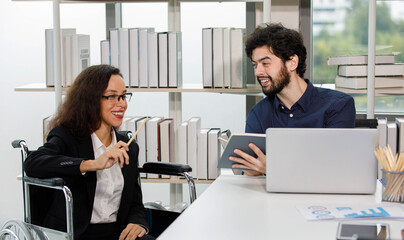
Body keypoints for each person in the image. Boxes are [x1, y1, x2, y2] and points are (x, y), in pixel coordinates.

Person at [24, 65, 154, 240]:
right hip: (78, 233)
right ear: (90, 100)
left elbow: (134, 202)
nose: (122, 104)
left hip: (118, 232)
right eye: (112, 96)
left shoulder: (128, 146)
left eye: (123, 96)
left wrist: (138, 223)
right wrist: (92, 164)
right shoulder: (67, 136)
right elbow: (33, 163)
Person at [230, 23, 356, 176]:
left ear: (292, 62)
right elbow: (251, 172)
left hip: (321, 198)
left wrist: (272, 167)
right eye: (255, 65)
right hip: (270, 197)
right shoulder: (259, 113)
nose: (258, 72)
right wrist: (252, 167)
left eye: (265, 63)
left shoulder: (338, 106)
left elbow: (335, 167)